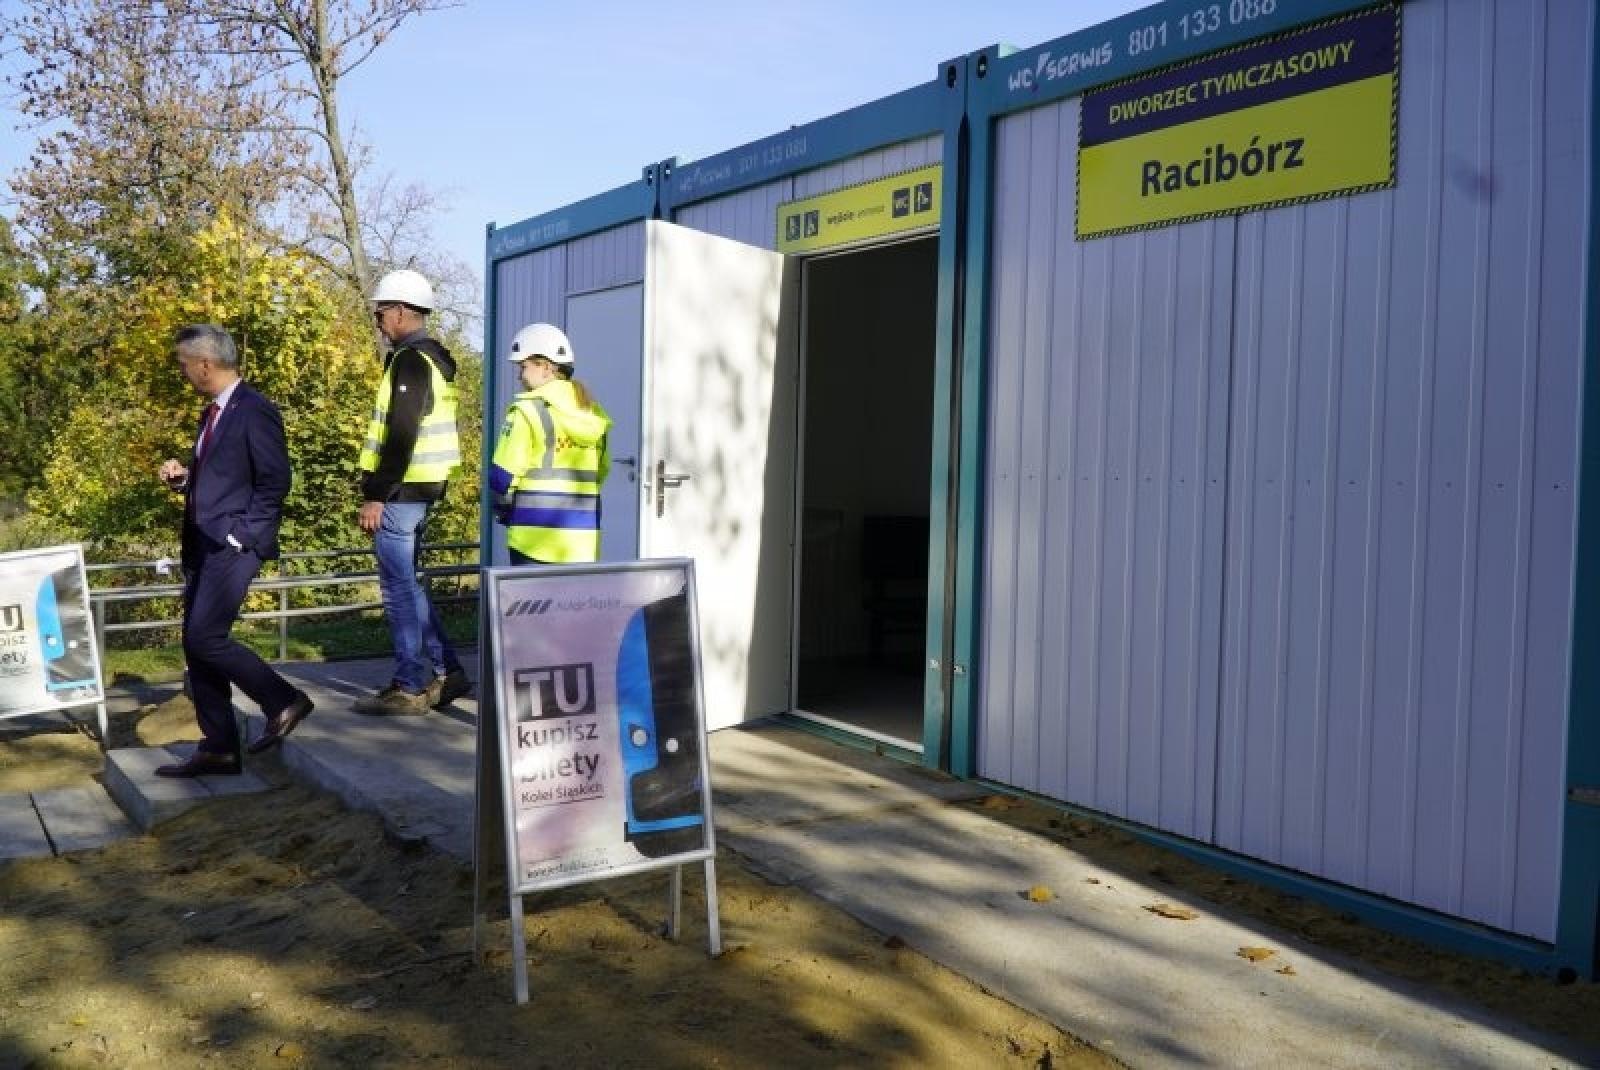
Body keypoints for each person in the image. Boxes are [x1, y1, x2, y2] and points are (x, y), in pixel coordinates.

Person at [155, 324, 313, 776]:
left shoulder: (255, 410)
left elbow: (274, 480)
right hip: (203, 542)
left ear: (205, 364)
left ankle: (283, 700)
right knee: (195, 641)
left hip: (234, 545)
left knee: (205, 637)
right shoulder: (214, 412)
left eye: (184, 364)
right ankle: (219, 747)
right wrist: (184, 481)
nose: (183, 372)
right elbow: (226, 479)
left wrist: (242, 535)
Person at [356, 269, 471, 715]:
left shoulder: (409, 361)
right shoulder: (431, 360)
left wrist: (376, 493)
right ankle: (448, 671)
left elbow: (402, 433)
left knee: (397, 589)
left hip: (400, 493)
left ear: (402, 311)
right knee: (408, 584)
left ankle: (408, 685)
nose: (378, 320)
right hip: (419, 489)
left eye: (381, 312)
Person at [490, 323, 612, 564]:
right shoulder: (593, 413)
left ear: (546, 367)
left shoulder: (526, 411)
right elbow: (601, 471)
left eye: (523, 367)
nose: (519, 375)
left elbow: (502, 477)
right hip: (581, 542)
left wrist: (503, 512)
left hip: (532, 539)